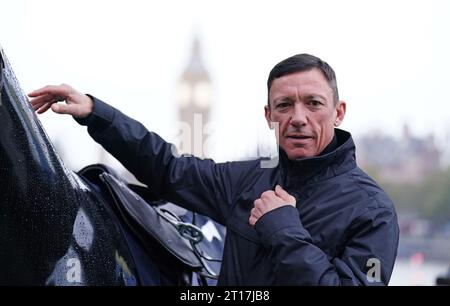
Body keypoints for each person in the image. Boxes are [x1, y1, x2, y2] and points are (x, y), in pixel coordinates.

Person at [29, 53, 399, 285]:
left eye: (313, 103)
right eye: (284, 105)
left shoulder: (372, 211)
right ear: (269, 116)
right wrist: (97, 112)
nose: (298, 118)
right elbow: (168, 168)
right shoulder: (246, 180)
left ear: (338, 112)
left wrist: (284, 229)